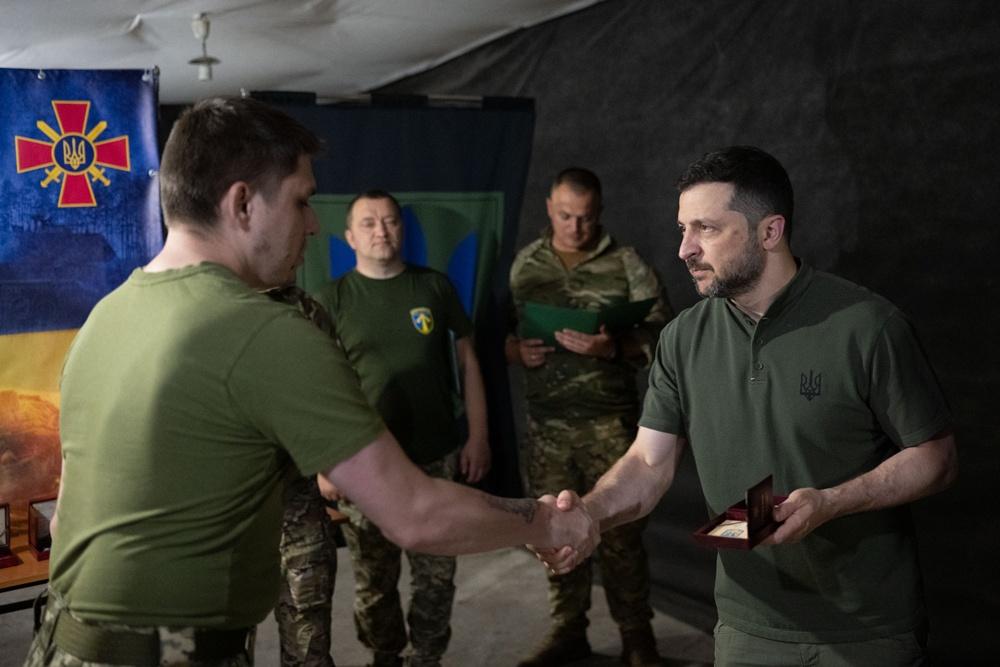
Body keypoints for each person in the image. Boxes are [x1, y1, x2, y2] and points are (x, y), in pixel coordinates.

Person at [23, 97, 597, 667]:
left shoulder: (106, 317)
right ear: (243, 203)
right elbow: (415, 513)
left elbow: (71, 508)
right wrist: (545, 522)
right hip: (167, 654)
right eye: (301, 200)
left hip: (62, 646)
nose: (315, 224)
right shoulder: (263, 330)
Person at [544, 146, 958, 666]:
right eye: (683, 229)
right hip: (748, 626)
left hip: (868, 627)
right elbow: (648, 463)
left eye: (707, 229)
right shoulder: (682, 339)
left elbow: (937, 458)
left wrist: (831, 502)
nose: (685, 249)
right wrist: (592, 512)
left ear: (770, 231)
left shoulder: (869, 326)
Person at [312, 190, 491, 667]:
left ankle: (427, 657)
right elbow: (319, 388)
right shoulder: (331, 299)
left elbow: (468, 362)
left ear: (402, 228)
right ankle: (385, 656)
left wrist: (478, 436)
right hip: (365, 465)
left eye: (390, 221)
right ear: (350, 237)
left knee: (437, 577)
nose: (381, 231)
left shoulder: (433, 287)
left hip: (436, 457)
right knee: (374, 581)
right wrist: (325, 463)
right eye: (368, 223)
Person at [505, 168, 672, 667]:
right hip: (547, 427)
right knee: (553, 530)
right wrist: (515, 351)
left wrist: (613, 347)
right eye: (565, 216)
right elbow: (501, 330)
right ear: (549, 209)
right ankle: (568, 631)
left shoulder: (626, 263)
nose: (576, 227)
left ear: (599, 212)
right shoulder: (526, 264)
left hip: (610, 426)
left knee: (621, 536)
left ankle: (637, 637)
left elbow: (666, 335)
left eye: (586, 217)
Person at [264, 285, 340, 667]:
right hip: (224, 523)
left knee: (308, 649)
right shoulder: (200, 304)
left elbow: (340, 395)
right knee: (215, 651)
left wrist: (330, 460)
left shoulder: (303, 308)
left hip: (298, 515)